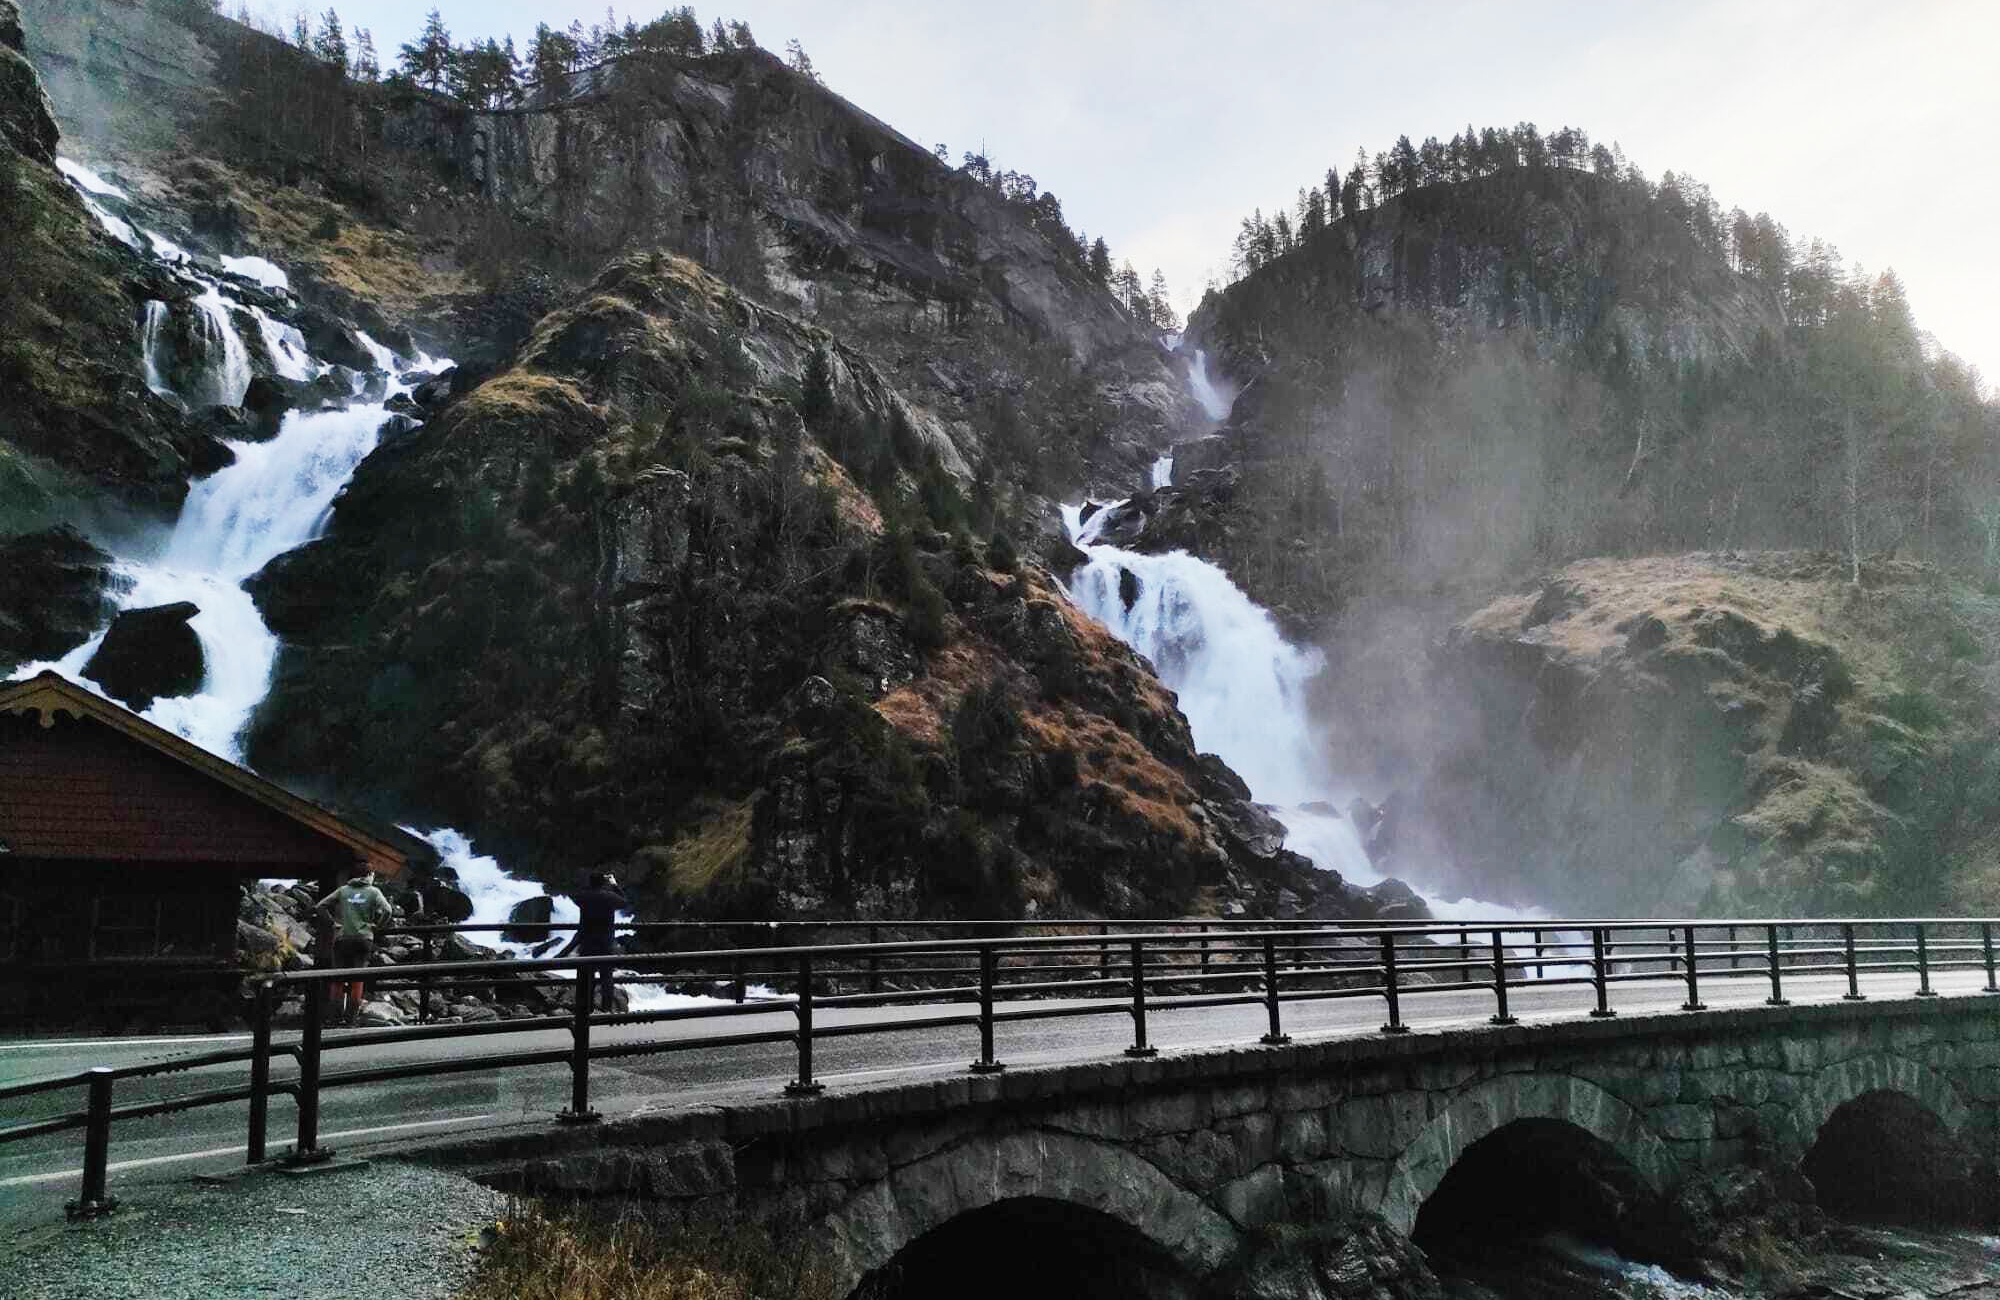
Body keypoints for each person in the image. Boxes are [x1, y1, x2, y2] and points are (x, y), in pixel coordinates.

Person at [316, 867, 393, 1025]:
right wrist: (377, 926)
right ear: (369, 875)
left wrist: (332, 923)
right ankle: (351, 1019)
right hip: (364, 939)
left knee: (337, 979)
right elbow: (387, 910)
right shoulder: (374, 892)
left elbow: (320, 906)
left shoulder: (343, 890)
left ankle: (334, 1019)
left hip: (343, 938)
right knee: (357, 980)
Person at [560, 870, 629, 1013]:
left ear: (590, 882)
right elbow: (624, 902)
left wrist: (588, 886)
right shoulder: (609, 897)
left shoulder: (584, 897)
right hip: (605, 942)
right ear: (604, 883)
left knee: (587, 977)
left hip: (587, 941)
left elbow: (573, 894)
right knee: (606, 978)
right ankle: (606, 1009)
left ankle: (588, 1009)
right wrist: (614, 885)